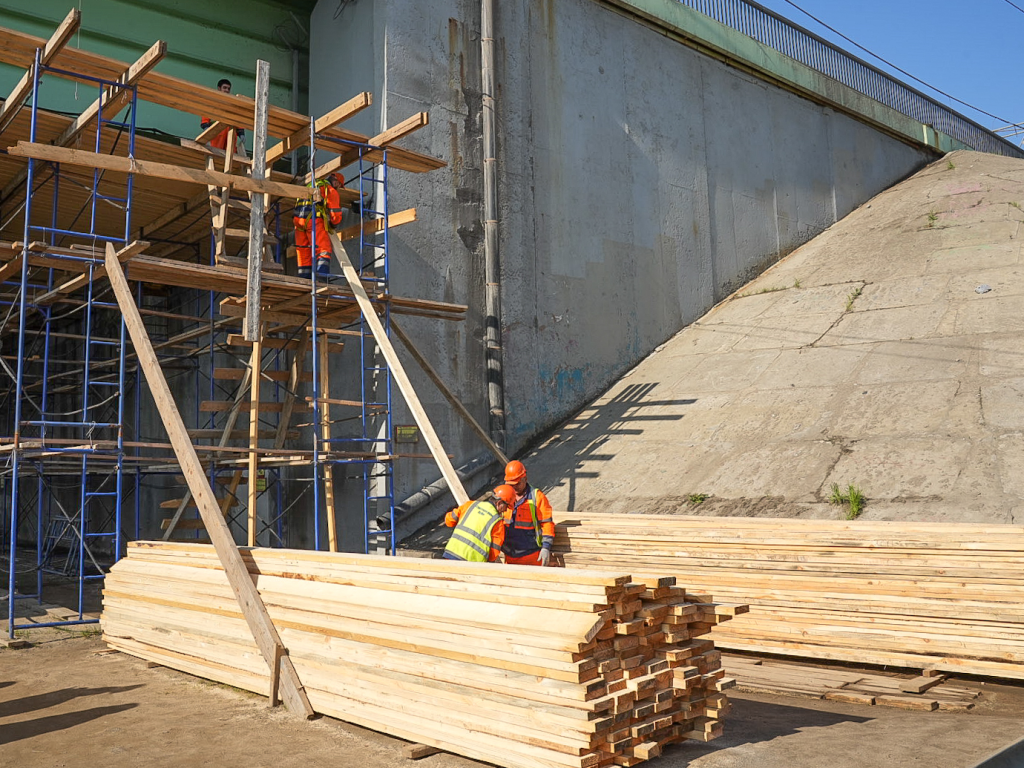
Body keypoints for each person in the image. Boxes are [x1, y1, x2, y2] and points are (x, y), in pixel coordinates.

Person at [499, 460, 555, 566]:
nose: (514, 488)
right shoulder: (503, 497)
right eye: (511, 484)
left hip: (531, 555)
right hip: (509, 555)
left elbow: (547, 524)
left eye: (517, 484)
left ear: (525, 478)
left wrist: (546, 547)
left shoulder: (537, 497)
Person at [442, 485, 515, 563]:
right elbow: (493, 554)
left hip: (451, 555)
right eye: (506, 506)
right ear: (499, 503)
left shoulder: (470, 505)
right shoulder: (497, 522)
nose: (505, 510)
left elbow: (449, 521)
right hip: (473, 564)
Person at [292, 173, 345, 278]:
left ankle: (304, 279)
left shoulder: (311, 185)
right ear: (336, 182)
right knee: (323, 248)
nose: (338, 188)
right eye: (339, 185)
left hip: (298, 222)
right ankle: (322, 276)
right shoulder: (330, 190)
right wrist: (333, 225)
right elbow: (336, 214)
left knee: (303, 251)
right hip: (313, 220)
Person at [200, 78, 246, 157]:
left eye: (228, 88)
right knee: (215, 153)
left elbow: (237, 118)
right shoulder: (213, 102)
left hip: (230, 133)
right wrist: (206, 127)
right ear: (219, 88)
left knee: (229, 156)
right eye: (224, 88)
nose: (227, 90)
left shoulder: (232, 104)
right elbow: (206, 116)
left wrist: (241, 132)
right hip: (217, 133)